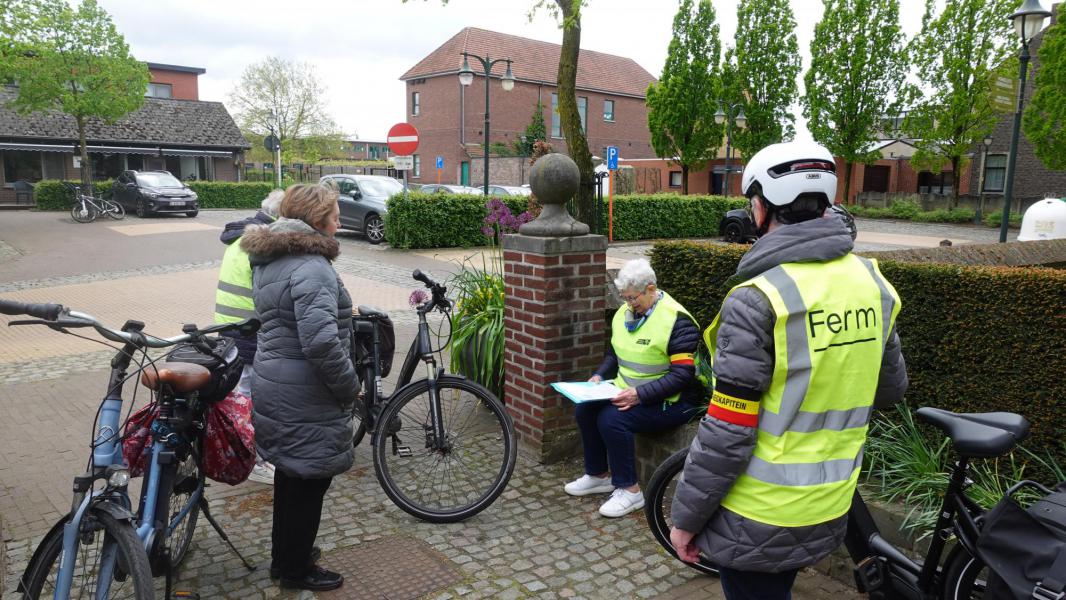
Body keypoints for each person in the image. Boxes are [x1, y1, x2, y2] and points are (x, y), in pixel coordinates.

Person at [668, 141, 908, 600]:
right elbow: (891, 389)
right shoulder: (872, 283)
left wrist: (685, 520)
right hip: (832, 501)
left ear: (760, 207)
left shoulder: (756, 300)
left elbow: (727, 432)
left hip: (758, 513)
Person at [240, 183, 357, 592]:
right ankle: (296, 569)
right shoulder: (311, 266)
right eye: (335, 213)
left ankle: (285, 557)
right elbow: (321, 341)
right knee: (310, 482)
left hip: (275, 380)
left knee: (291, 475)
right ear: (317, 219)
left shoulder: (272, 258)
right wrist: (349, 387)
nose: (340, 220)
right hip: (306, 390)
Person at [564, 258, 701, 518]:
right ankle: (598, 475)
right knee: (585, 410)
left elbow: (683, 375)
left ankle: (630, 491)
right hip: (632, 393)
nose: (629, 304)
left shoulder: (677, 320)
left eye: (633, 297)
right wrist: (598, 377)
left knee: (612, 419)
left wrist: (639, 395)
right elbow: (615, 355)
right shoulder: (625, 313)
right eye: (625, 298)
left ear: (651, 289)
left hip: (674, 401)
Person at [214, 190, 285, 485]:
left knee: (241, 396)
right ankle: (252, 459)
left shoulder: (242, 236)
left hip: (229, 328)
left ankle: (243, 454)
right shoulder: (262, 243)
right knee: (250, 400)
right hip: (248, 332)